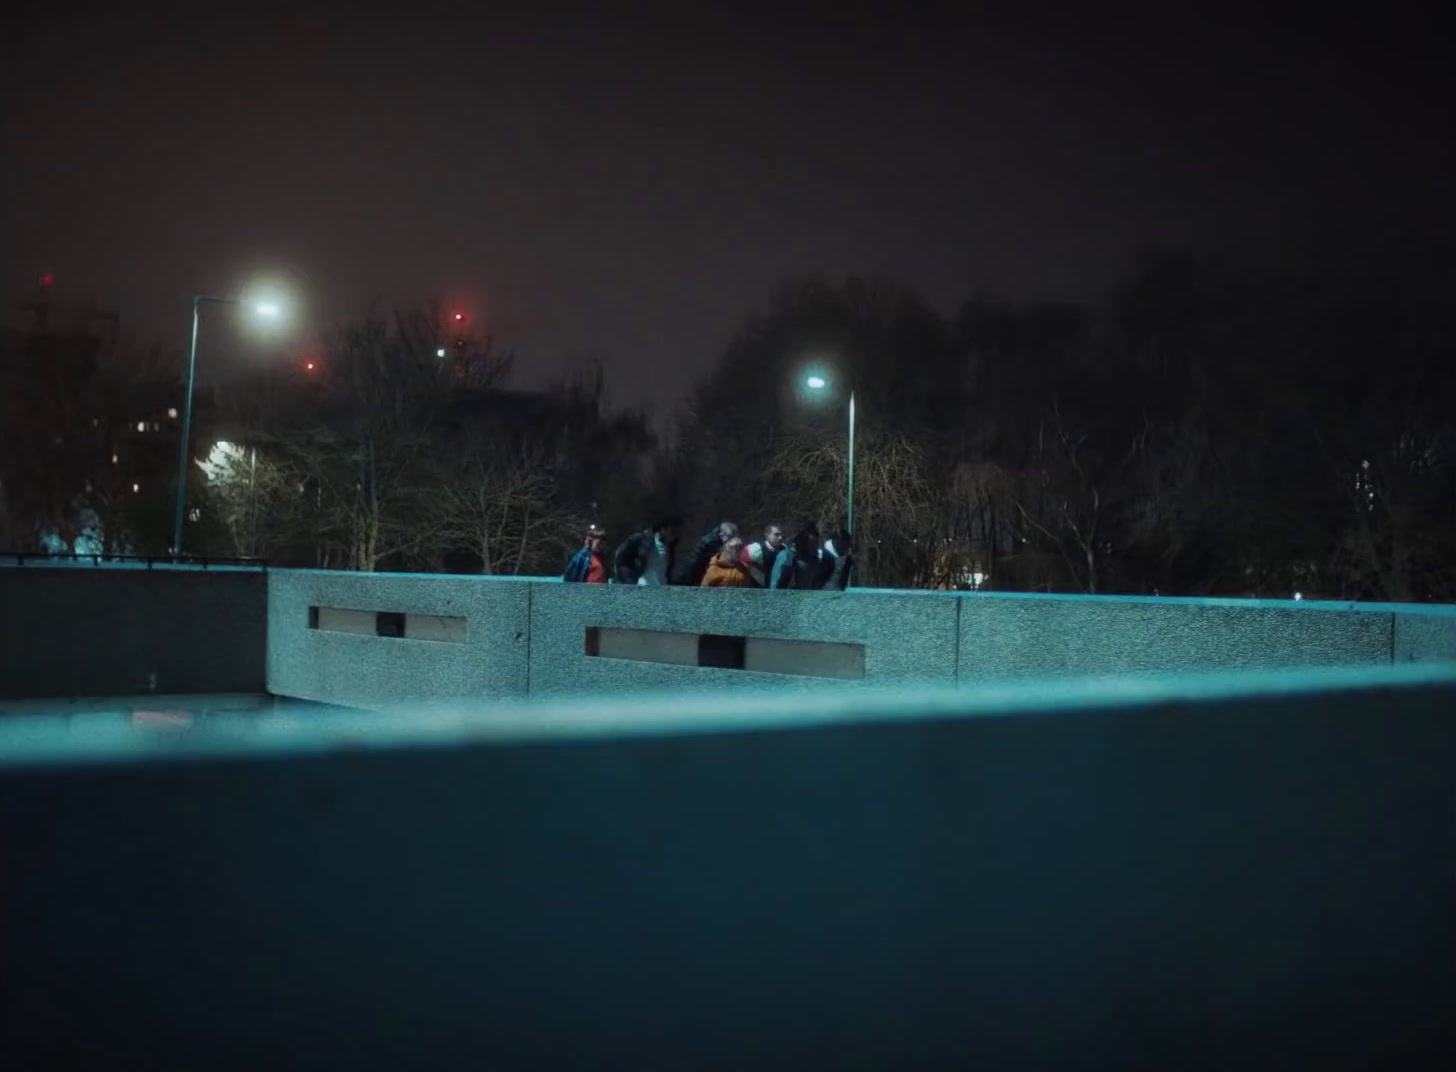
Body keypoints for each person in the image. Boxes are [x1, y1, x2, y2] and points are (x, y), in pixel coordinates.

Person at [612, 517, 681, 585]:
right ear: (662, 530)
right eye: (671, 532)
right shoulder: (643, 541)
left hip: (661, 587)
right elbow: (621, 554)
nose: (673, 536)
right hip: (644, 585)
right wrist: (625, 572)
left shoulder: (670, 549)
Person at [675, 520, 739, 586]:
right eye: (730, 536)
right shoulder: (710, 544)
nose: (732, 540)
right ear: (722, 535)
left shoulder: (716, 541)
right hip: (692, 577)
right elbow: (695, 563)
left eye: (735, 536)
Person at [770, 520, 825, 589]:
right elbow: (777, 585)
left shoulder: (814, 559)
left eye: (816, 544)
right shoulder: (786, 557)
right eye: (813, 544)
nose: (816, 547)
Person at [740, 522, 785, 588]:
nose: (780, 537)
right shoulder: (755, 549)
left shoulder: (784, 549)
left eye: (782, 535)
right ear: (767, 535)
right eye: (776, 535)